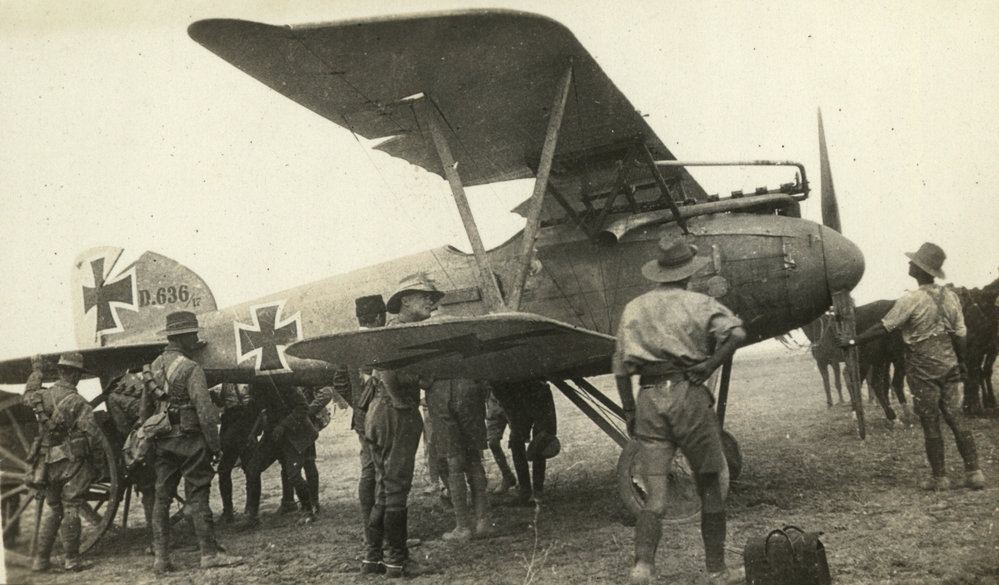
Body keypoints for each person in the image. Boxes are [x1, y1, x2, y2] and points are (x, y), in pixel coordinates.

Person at [614, 238, 746, 585]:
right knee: (709, 486)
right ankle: (716, 570)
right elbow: (737, 333)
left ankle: (643, 569)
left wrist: (629, 410)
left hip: (649, 397)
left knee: (655, 495)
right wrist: (709, 365)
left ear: (658, 272)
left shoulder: (634, 308)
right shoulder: (701, 303)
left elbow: (621, 367)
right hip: (688, 394)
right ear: (689, 272)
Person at [843, 242, 985, 491]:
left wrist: (854, 340)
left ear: (920, 270)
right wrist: (961, 362)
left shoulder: (911, 299)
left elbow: (884, 327)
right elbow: (960, 334)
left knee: (930, 422)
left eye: (913, 262)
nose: (909, 264)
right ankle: (974, 473)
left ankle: (939, 478)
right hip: (949, 364)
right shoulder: (950, 296)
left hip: (922, 369)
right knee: (956, 418)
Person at [144, 311, 242, 574]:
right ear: (184, 337)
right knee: (198, 496)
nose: (197, 339)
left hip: (162, 441)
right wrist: (215, 445)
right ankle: (209, 555)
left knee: (161, 498)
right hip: (190, 440)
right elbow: (206, 413)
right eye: (193, 334)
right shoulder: (191, 368)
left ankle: (161, 560)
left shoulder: (151, 368)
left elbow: (145, 414)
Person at [365, 274, 443, 578]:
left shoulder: (399, 330)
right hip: (395, 412)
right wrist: (400, 402)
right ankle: (399, 561)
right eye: (425, 296)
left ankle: (373, 558)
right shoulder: (398, 332)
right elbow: (386, 371)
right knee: (396, 488)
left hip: (381, 412)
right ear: (405, 300)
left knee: (385, 489)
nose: (432, 303)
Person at [24, 352, 103, 572]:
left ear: (59, 372)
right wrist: (98, 465)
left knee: (54, 508)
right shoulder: (79, 403)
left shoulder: (40, 397)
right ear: (76, 375)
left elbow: (27, 394)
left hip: (46, 464)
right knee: (71, 508)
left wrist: (37, 372)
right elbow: (94, 436)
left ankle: (40, 560)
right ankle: (72, 560)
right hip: (72, 463)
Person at [425, 377, 492, 541]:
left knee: (453, 460)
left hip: (439, 392)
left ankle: (463, 526)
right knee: (474, 457)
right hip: (469, 386)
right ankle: (483, 521)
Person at [243, 383, 318, 526]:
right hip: (273, 435)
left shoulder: (284, 383)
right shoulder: (257, 386)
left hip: (293, 434)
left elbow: (303, 407)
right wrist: (252, 433)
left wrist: (283, 425)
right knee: (252, 469)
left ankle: (308, 510)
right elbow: (257, 411)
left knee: (294, 475)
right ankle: (252, 516)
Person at [490, 379, 558, 505]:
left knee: (540, 442)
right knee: (516, 442)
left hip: (538, 394)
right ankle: (524, 490)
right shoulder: (497, 385)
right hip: (515, 398)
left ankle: (538, 492)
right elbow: (501, 397)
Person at [277, 384, 334, 514]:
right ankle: (289, 501)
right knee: (287, 464)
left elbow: (326, 392)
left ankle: (313, 502)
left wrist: (307, 411)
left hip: (305, 424)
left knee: (309, 462)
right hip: (289, 425)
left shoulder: (305, 377)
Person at [211, 382, 262, 524]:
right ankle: (228, 511)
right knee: (224, 469)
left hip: (246, 421)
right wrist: (216, 398)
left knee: (251, 468)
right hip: (230, 422)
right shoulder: (225, 381)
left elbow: (257, 405)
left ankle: (251, 511)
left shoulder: (248, 379)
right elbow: (223, 403)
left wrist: (253, 430)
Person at [484, 390, 518, 495]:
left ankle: (524, 484)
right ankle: (507, 475)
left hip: (512, 398)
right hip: (493, 401)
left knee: (517, 441)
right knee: (493, 442)